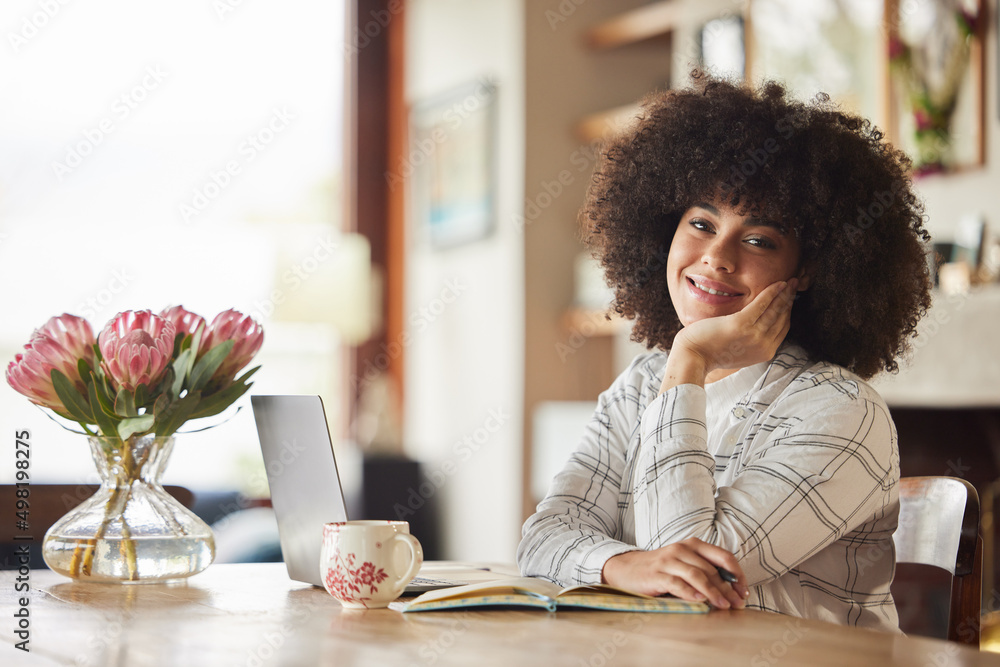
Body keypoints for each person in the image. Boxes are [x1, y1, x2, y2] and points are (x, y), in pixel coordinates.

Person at [517, 72, 932, 632]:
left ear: (807, 270)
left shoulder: (842, 410)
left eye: (759, 239)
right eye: (702, 222)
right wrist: (620, 564)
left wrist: (689, 358)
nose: (716, 256)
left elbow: (693, 575)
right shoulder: (641, 385)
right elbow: (543, 539)